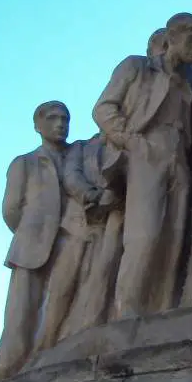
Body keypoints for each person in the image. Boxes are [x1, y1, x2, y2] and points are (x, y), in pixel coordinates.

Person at [92, 13, 192, 318]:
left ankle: (161, 312)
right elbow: (103, 107)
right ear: (172, 36)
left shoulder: (188, 82)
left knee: (173, 238)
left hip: (179, 158)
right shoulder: (137, 66)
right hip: (146, 150)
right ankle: (127, 314)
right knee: (144, 235)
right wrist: (129, 140)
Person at [0, 101, 76, 382]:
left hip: (69, 242)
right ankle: (7, 374)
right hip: (31, 247)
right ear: (38, 126)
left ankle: (45, 365)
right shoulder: (24, 162)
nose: (60, 124)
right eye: (53, 118)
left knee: (58, 309)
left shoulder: (77, 156)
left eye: (65, 119)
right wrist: (34, 231)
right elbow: (11, 209)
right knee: (20, 316)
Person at [34, 132, 124, 349]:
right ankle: (45, 347)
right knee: (61, 290)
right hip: (77, 227)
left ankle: (84, 336)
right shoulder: (82, 147)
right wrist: (93, 195)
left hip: (111, 226)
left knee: (99, 281)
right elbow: (71, 176)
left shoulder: (127, 145)